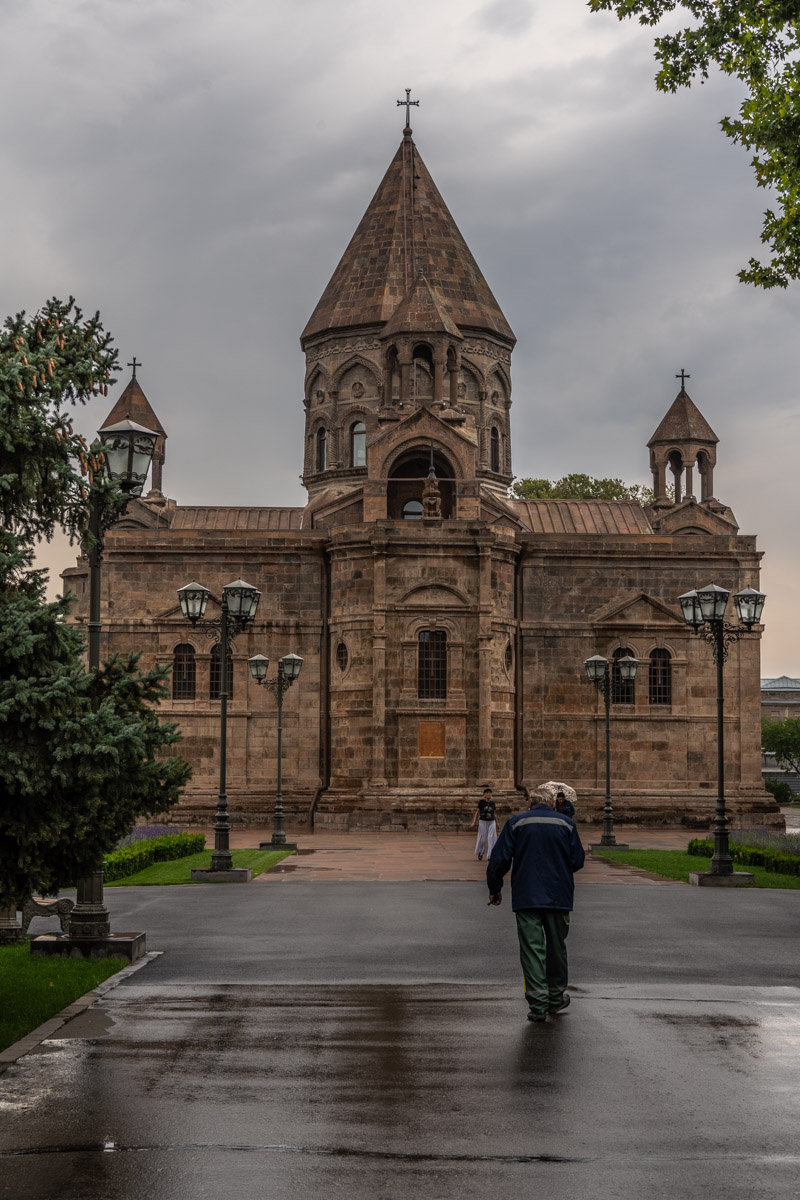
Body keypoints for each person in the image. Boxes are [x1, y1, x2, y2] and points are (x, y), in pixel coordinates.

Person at [487, 790, 585, 1022]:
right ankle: (555, 997)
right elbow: (577, 861)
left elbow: (498, 859)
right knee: (556, 947)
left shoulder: (516, 822)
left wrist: (495, 888)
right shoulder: (567, 824)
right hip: (559, 896)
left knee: (532, 949)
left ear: (529, 802)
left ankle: (538, 1004)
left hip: (527, 896)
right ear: (552, 802)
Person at [470, 786, 498, 861]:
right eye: (487, 793)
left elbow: (494, 814)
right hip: (483, 821)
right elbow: (477, 812)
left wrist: (497, 823)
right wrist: (473, 822)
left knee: (491, 838)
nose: (489, 794)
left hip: (491, 821)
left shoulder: (492, 803)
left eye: (490, 793)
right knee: (482, 838)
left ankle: (490, 855)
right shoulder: (481, 802)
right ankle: (480, 852)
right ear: (484, 795)